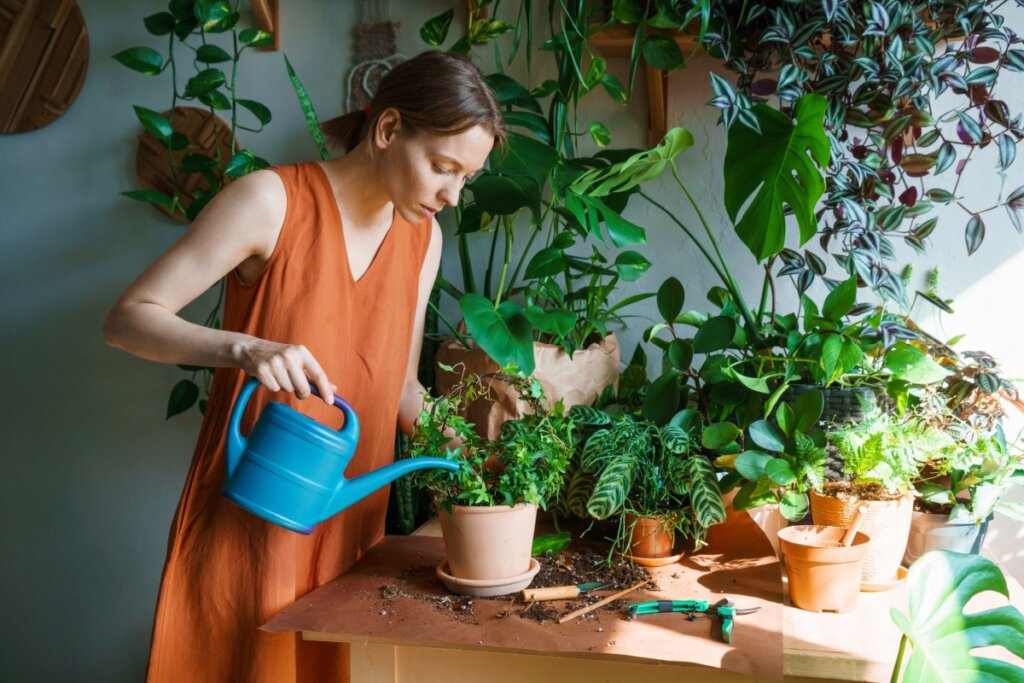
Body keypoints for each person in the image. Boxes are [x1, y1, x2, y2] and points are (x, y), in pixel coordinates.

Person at [103, 50, 504, 682]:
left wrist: (487, 461)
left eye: (465, 179)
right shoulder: (270, 201)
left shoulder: (424, 240)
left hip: (351, 544)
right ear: (390, 128)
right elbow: (127, 319)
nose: (452, 196)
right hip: (251, 534)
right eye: (443, 168)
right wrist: (247, 347)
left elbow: (400, 391)